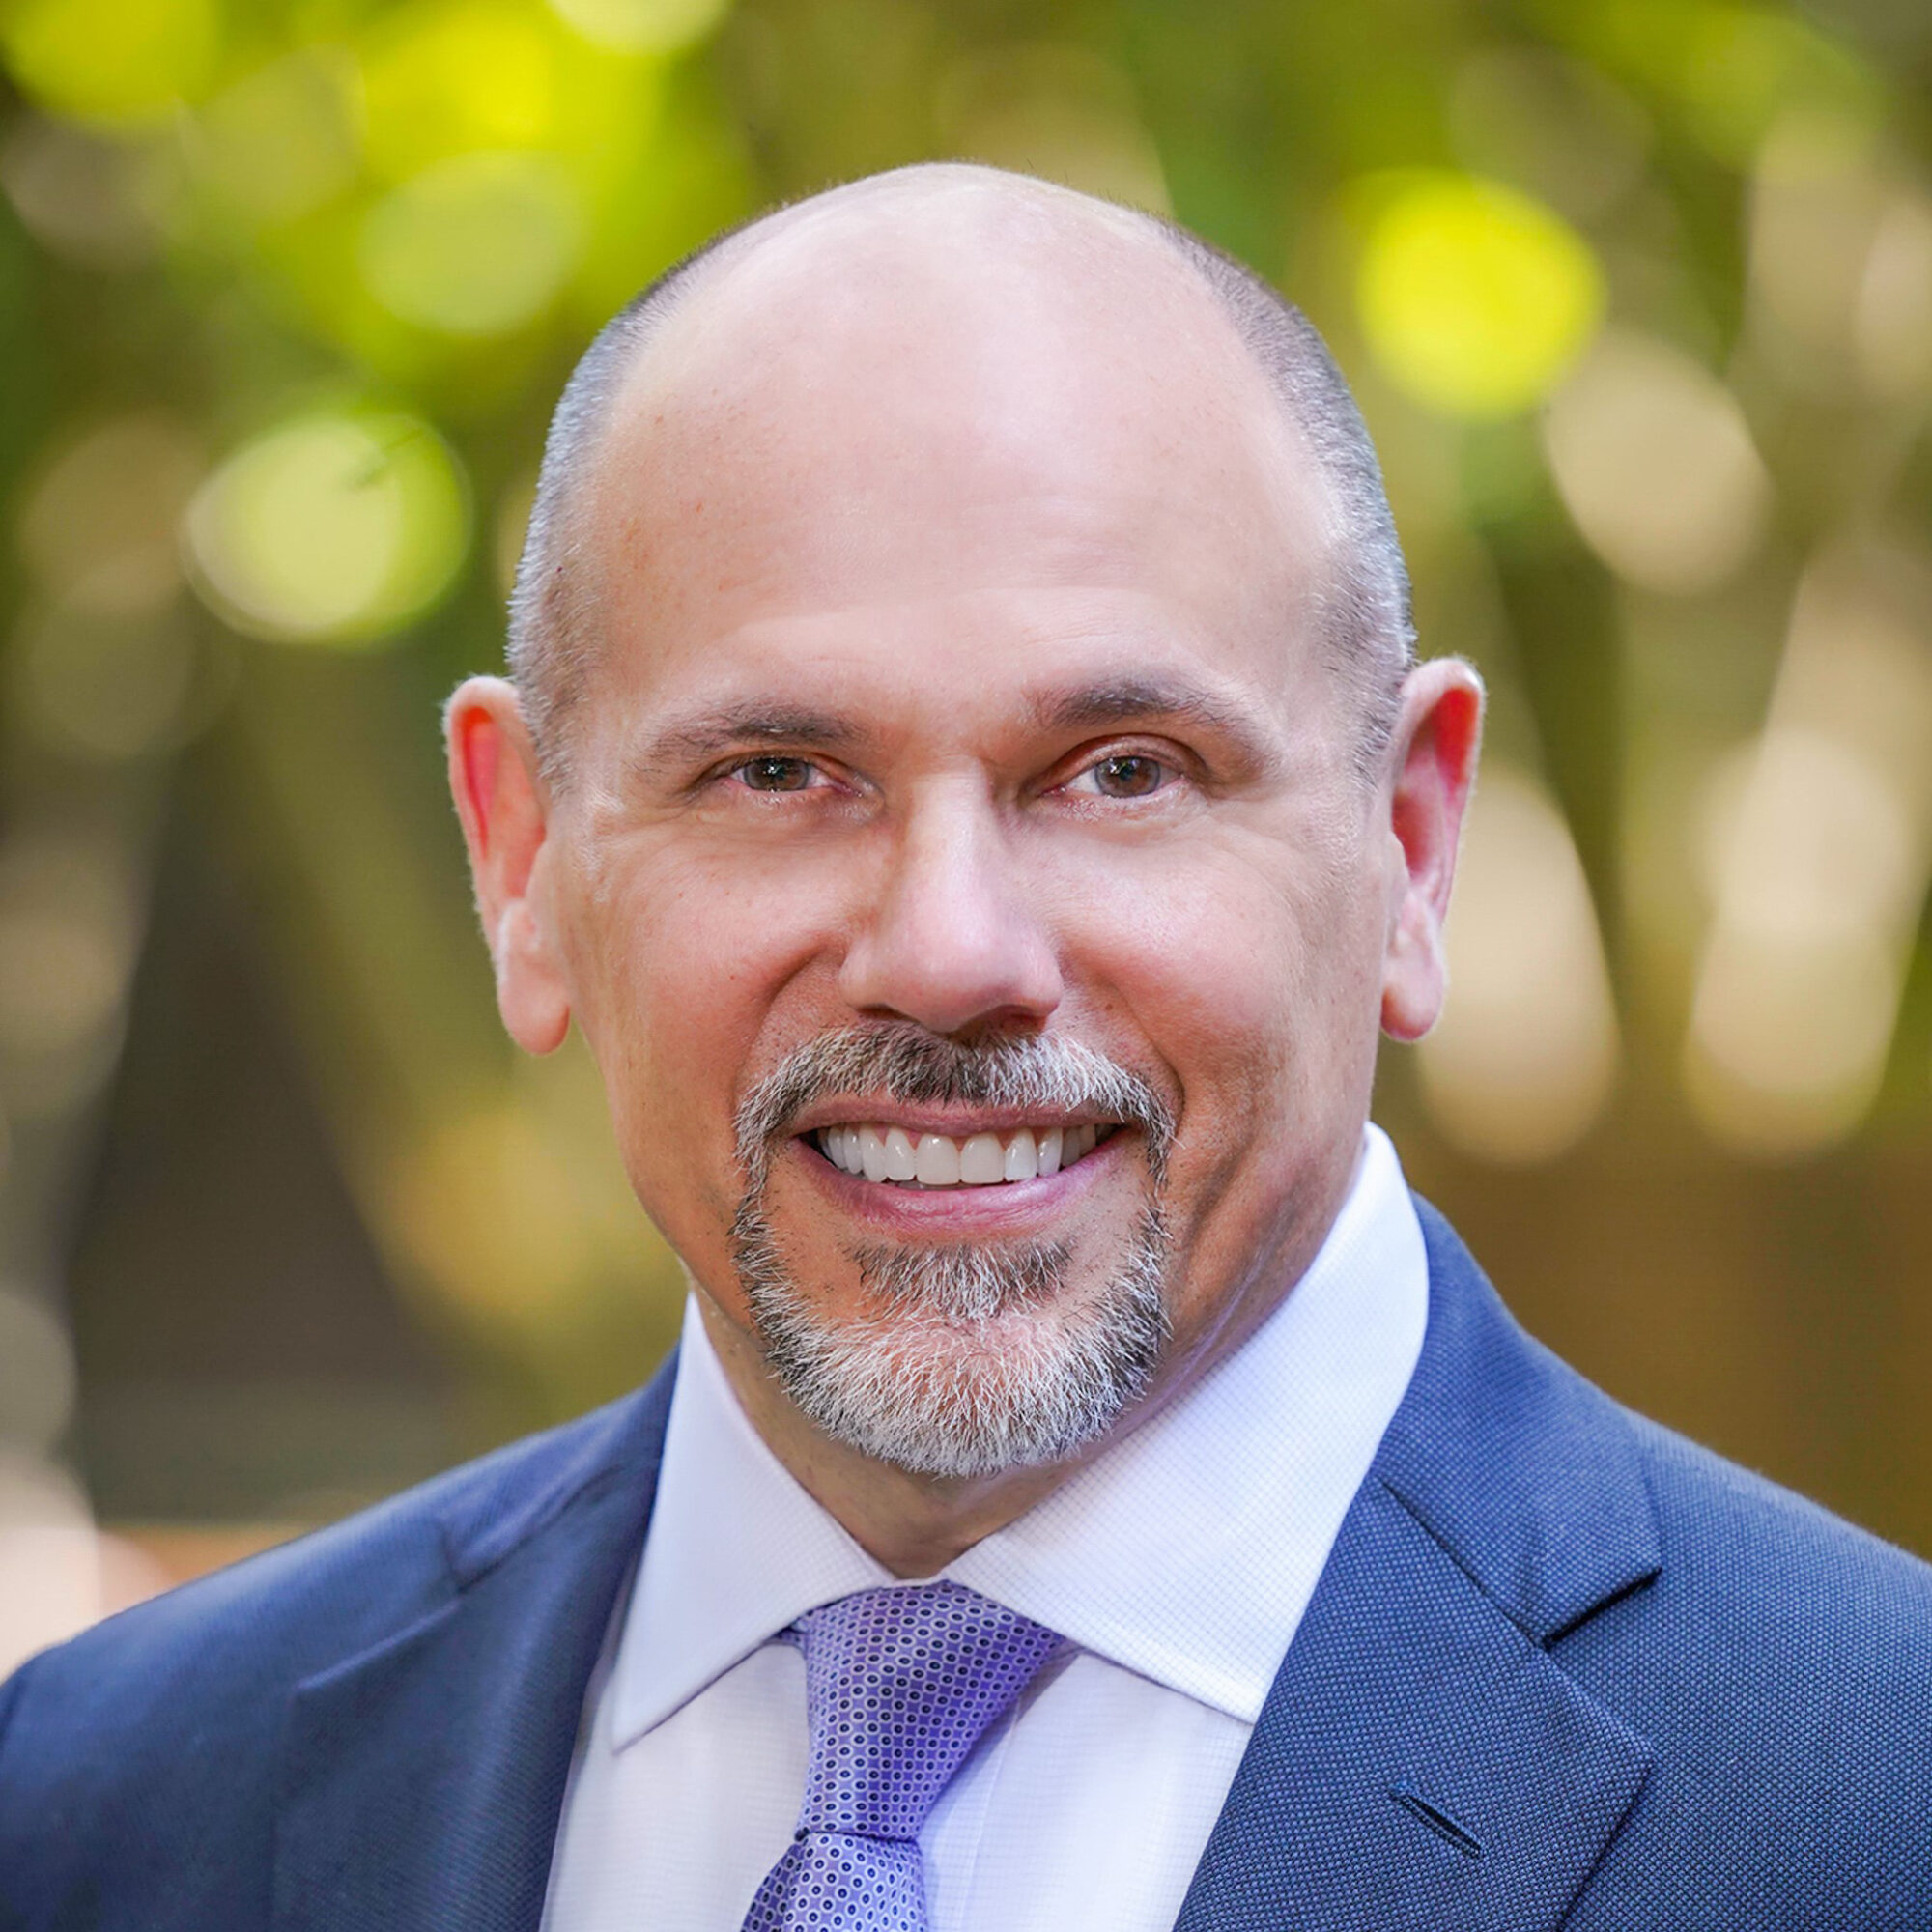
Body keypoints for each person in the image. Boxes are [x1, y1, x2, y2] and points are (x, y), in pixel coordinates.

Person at [2, 164, 1928, 1932]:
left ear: (1409, 844)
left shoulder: (1874, 1810)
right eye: (777, 771)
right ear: (520, 860)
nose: (946, 952)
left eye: (1119, 772)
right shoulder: (106, 1811)